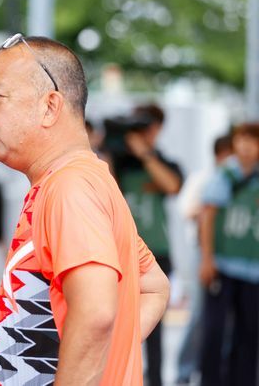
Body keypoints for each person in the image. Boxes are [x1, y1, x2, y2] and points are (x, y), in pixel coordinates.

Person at [0, 33, 169, 385]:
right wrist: (113, 359)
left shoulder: (70, 187)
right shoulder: (81, 180)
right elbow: (153, 285)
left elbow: (96, 313)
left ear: (50, 106)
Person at [102, 103, 182, 386]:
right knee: (113, 323)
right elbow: (104, 185)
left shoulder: (162, 162)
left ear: (157, 130)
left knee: (154, 327)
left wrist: (145, 154)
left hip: (156, 254)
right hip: (119, 254)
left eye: (146, 127)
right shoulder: (116, 163)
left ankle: (156, 380)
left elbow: (172, 186)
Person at [199, 123, 259, 386]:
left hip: (253, 270)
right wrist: (207, 259)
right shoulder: (225, 174)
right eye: (242, 139)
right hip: (223, 265)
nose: (246, 146)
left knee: (249, 334)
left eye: (253, 141)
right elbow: (208, 217)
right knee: (215, 331)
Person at [174, 134, 231, 385]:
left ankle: (220, 370)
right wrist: (211, 208)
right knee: (199, 314)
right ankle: (184, 371)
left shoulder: (242, 180)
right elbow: (186, 209)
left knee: (228, 317)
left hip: (230, 254)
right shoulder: (205, 179)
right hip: (203, 252)